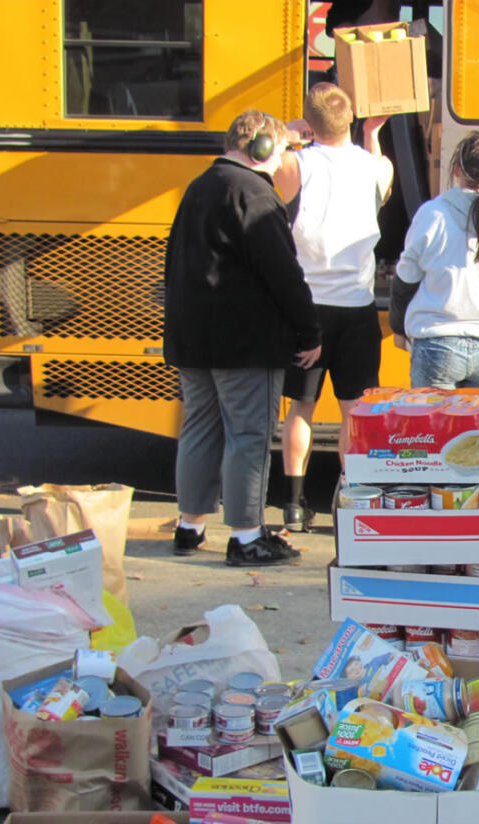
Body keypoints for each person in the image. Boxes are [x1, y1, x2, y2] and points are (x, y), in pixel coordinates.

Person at [164, 110, 322, 566]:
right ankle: (247, 535)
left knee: (199, 429)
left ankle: (189, 526)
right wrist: (308, 329)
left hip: (192, 340)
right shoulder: (255, 194)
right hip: (244, 342)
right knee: (248, 435)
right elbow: (283, 274)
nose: (283, 162)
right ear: (262, 149)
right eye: (283, 150)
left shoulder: (199, 186)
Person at [273, 83, 394, 532]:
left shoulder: (293, 164)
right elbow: (381, 187)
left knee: (300, 409)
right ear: (351, 122)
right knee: (352, 413)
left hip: (306, 309)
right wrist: (374, 134)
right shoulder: (377, 167)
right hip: (357, 308)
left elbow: (267, 163)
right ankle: (348, 501)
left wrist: (288, 133)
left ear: (310, 122)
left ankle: (292, 503)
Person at [388, 131, 479, 388]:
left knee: (433, 429)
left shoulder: (432, 214)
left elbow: (405, 278)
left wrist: (398, 327)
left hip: (436, 343)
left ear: (455, 170)